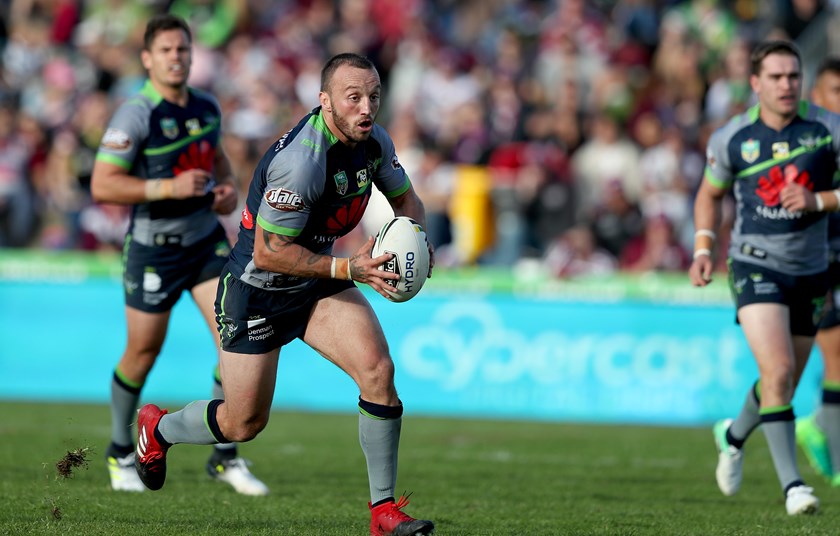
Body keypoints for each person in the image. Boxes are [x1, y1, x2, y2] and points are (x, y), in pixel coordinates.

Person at [132, 52, 436, 536]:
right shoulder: (301, 163)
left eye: (373, 96)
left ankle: (383, 513)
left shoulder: (373, 141)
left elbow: (406, 199)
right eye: (352, 97)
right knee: (242, 424)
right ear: (324, 101)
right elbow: (270, 254)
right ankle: (158, 428)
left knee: (378, 372)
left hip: (316, 280)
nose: (366, 108)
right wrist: (348, 267)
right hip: (257, 292)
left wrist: (416, 241)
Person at [90, 13, 268, 496]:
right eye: (166, 50)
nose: (176, 57)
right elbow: (102, 183)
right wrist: (166, 186)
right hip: (154, 249)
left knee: (233, 340)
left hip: (205, 241)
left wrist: (229, 188)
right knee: (142, 353)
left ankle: (224, 456)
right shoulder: (136, 113)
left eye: (182, 49)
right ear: (148, 58)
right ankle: (119, 450)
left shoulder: (207, 107)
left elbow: (219, 160)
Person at [689, 40, 840, 516]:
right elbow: (708, 195)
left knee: (784, 383)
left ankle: (732, 436)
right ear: (755, 83)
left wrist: (819, 201)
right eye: (776, 77)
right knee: (776, 373)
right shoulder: (732, 137)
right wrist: (703, 246)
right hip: (754, 262)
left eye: (793, 76)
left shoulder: (829, 128)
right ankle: (793, 486)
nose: (786, 85)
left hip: (813, 268)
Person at [796, 56, 840, 486]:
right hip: (819, 257)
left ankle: (819, 426)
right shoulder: (810, 143)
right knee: (834, 354)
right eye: (837, 92)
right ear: (818, 97)